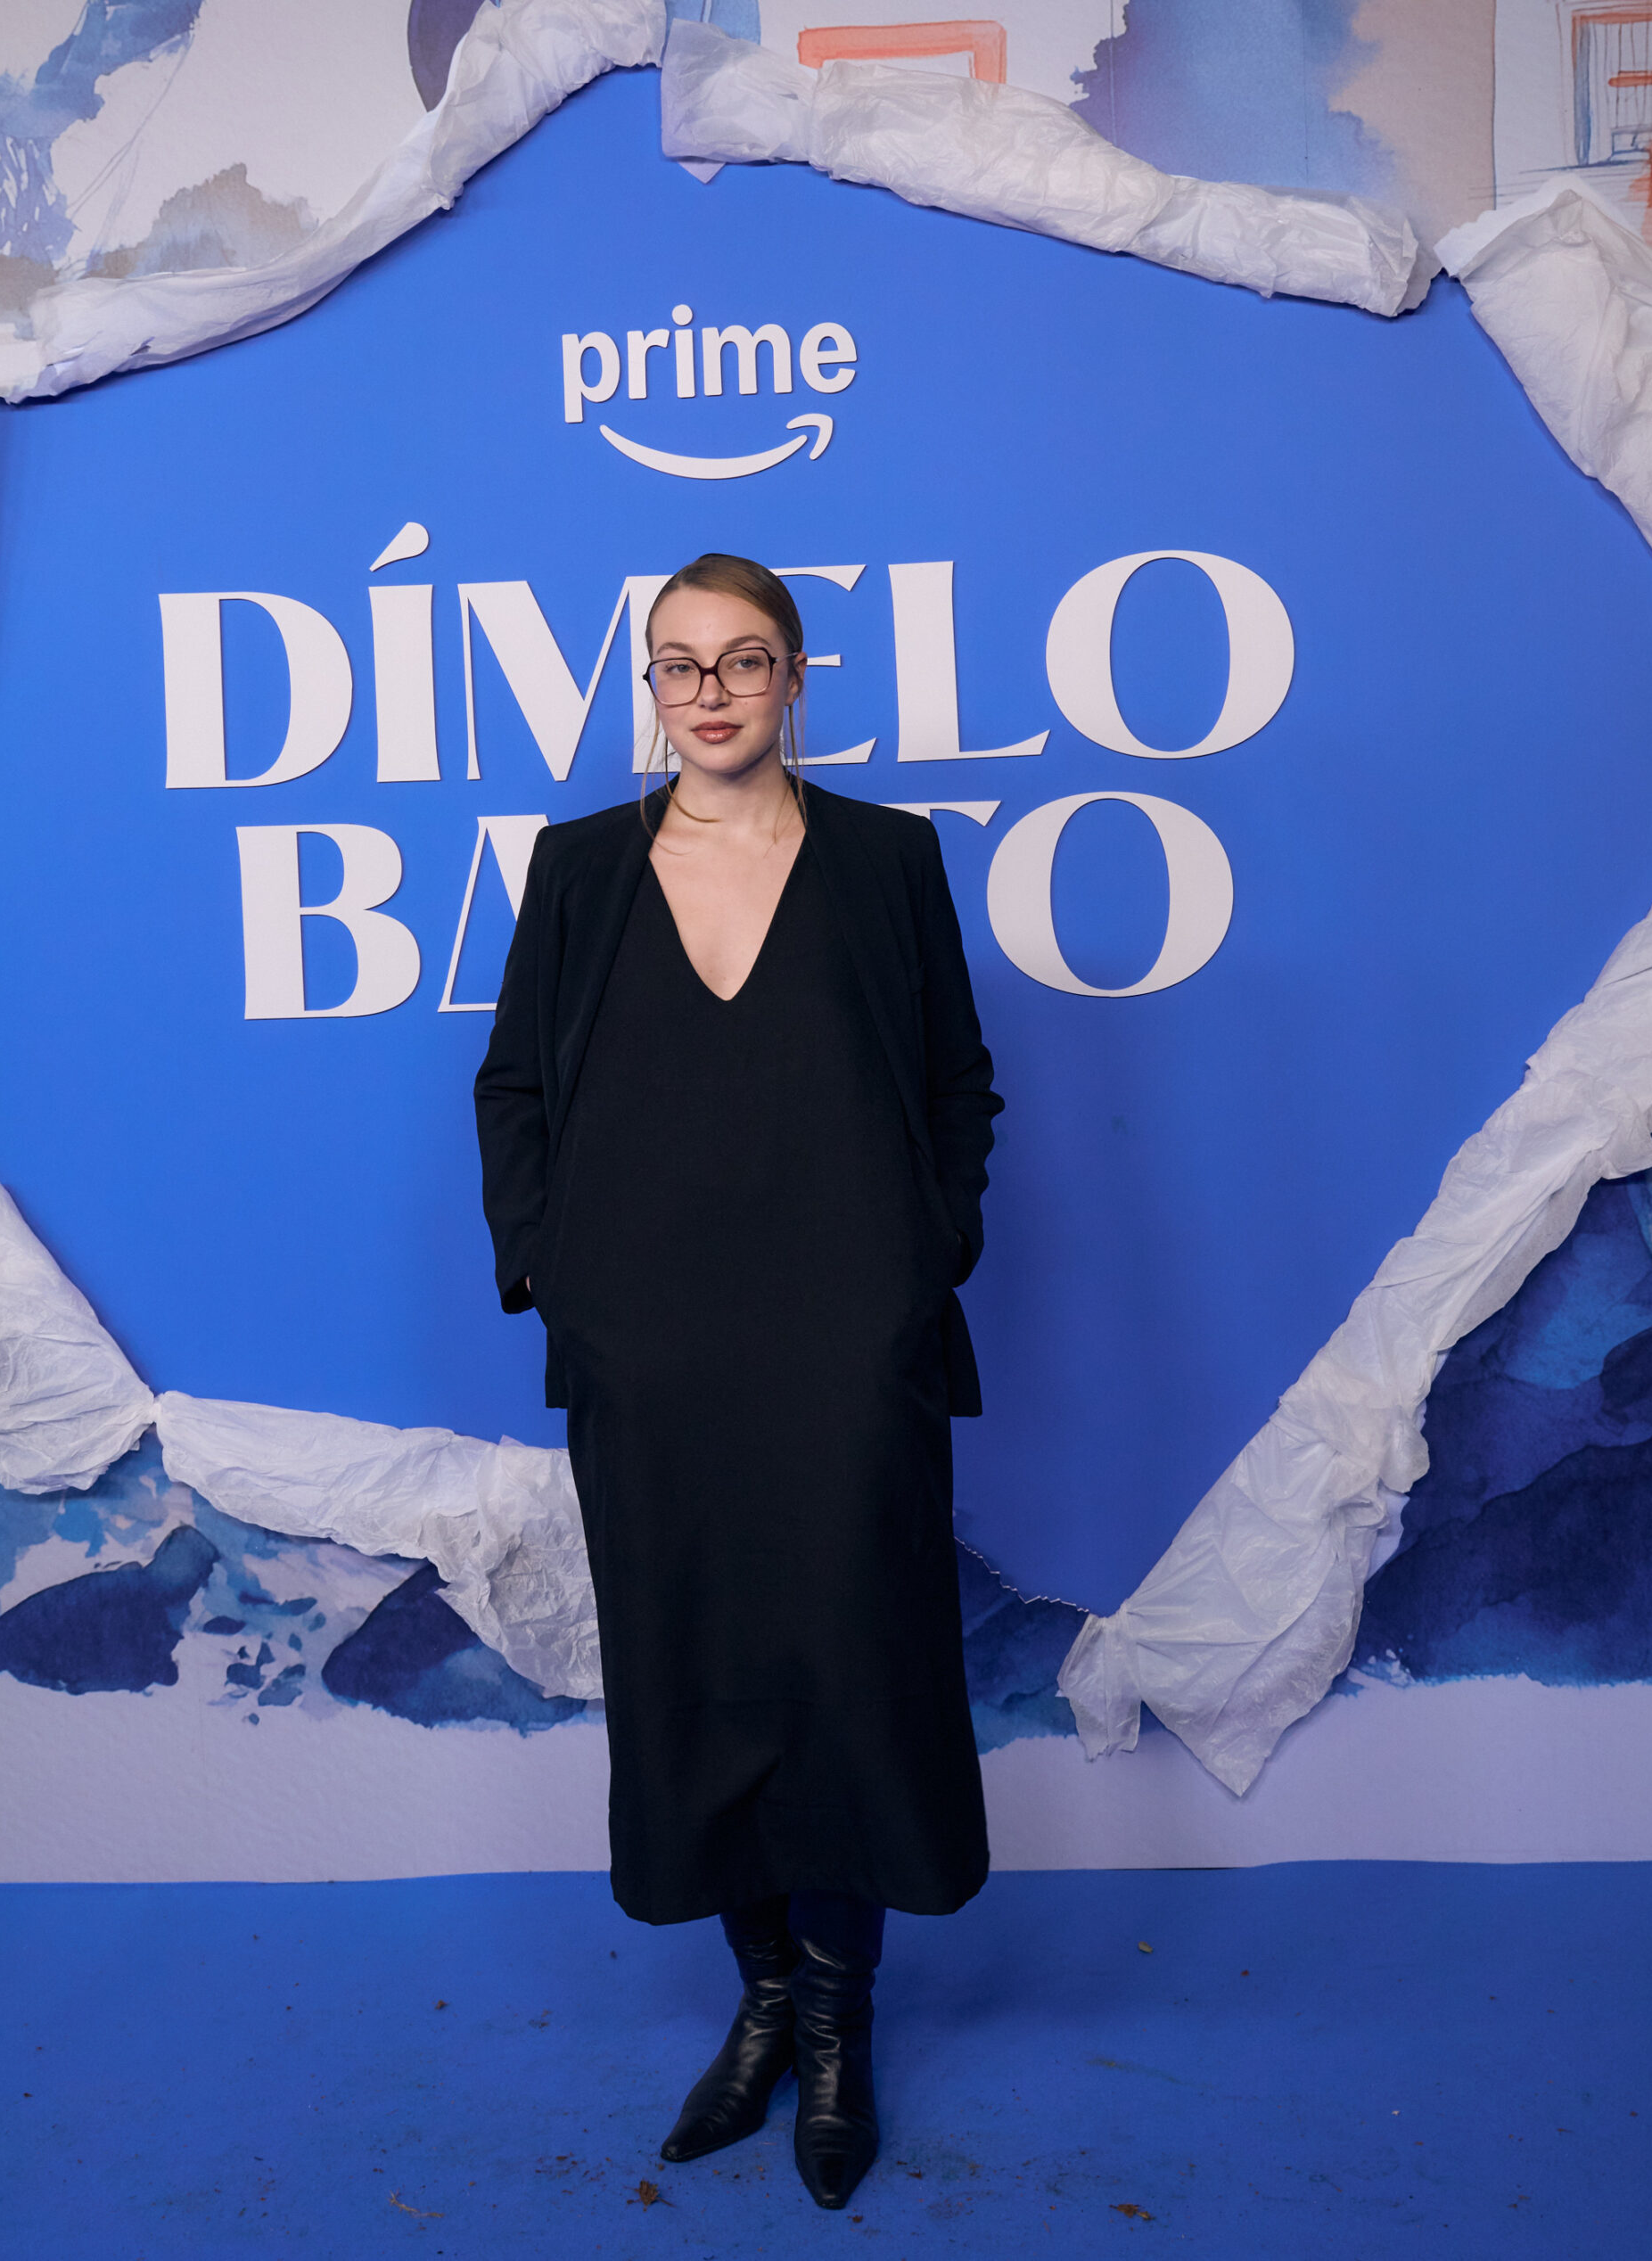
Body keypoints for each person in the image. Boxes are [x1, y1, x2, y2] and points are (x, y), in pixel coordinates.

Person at [474, 553, 1001, 2210]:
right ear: (650, 686)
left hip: (848, 1349)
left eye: (745, 659)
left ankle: (839, 2021)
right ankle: (763, 2001)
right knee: (693, 1673)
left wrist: (923, 1259)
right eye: (680, 664)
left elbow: (959, 1082)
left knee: (851, 1671)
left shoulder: (889, 859)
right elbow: (513, 1088)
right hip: (655, 1360)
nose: (711, 692)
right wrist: (560, 1277)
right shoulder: (577, 868)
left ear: (794, 678)